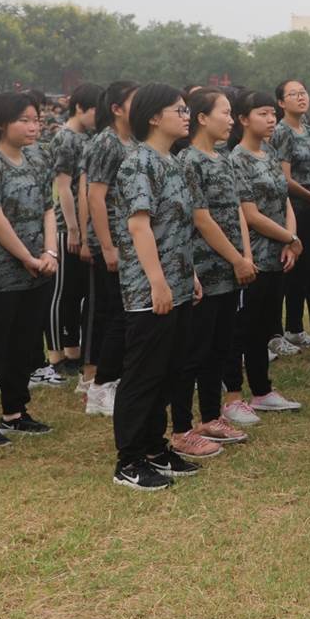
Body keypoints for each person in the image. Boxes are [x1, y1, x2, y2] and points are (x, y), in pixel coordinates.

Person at [112, 84, 202, 490]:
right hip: (150, 287)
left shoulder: (176, 162)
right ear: (153, 117)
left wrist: (190, 275)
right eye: (178, 109)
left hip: (178, 281)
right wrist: (157, 282)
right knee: (144, 375)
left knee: (169, 371)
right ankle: (129, 460)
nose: (186, 115)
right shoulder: (138, 163)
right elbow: (138, 225)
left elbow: (178, 227)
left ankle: (154, 447)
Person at [0, 93, 59, 445]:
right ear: (2, 123)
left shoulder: (38, 157)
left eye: (36, 120)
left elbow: (49, 207)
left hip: (37, 269)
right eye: (25, 120)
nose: (34, 126)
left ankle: (15, 412)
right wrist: (26, 257)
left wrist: (50, 252)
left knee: (23, 344)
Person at [178, 87, 255, 444]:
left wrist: (245, 256)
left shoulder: (223, 157)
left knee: (219, 348)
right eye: (223, 113)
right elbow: (201, 219)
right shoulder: (189, 161)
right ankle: (182, 424)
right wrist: (236, 258)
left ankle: (211, 417)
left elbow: (237, 208)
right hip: (206, 271)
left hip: (231, 270)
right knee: (194, 350)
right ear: (201, 118)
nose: (229, 119)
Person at [229, 89, 303, 413]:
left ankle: (262, 390)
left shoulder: (270, 152)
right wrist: (289, 237)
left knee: (263, 328)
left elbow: (284, 197)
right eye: (263, 113)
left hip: (278, 255)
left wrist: (290, 239)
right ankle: (233, 394)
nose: (271, 119)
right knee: (242, 329)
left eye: (273, 113)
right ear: (243, 119)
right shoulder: (237, 159)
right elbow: (250, 214)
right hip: (253, 257)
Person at [79, 79, 138, 418]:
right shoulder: (107, 142)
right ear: (116, 108)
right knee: (116, 314)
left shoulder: (132, 141)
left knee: (125, 314)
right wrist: (106, 246)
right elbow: (95, 196)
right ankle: (101, 386)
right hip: (114, 243)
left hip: (131, 241)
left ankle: (112, 380)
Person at [42, 84, 100, 386]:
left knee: (77, 292)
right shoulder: (65, 137)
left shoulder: (87, 138)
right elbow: (63, 186)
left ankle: (72, 350)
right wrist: (74, 228)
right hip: (67, 228)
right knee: (61, 292)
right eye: (94, 111)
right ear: (80, 108)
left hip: (83, 225)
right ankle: (55, 355)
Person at [270, 79, 310, 356]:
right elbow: (285, 179)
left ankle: (296, 327)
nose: (301, 97)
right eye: (293, 94)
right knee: (292, 269)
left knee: (309, 269)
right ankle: (280, 330)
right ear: (281, 103)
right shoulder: (282, 132)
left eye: (303, 92)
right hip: (294, 210)